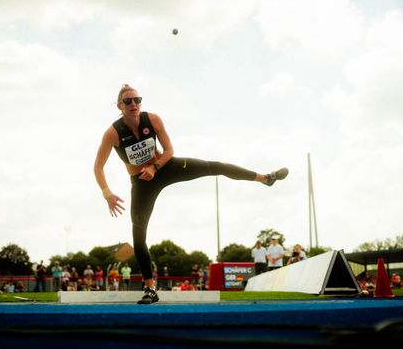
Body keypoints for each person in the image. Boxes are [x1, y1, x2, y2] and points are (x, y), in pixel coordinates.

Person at [93, 84, 289, 304]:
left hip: (165, 167)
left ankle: (265, 178)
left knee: (214, 166)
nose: (134, 105)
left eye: (137, 100)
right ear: (119, 105)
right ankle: (150, 289)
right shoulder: (112, 133)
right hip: (142, 183)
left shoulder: (153, 119)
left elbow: (169, 151)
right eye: (128, 101)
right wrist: (107, 193)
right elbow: (98, 167)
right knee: (138, 235)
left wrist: (154, 168)